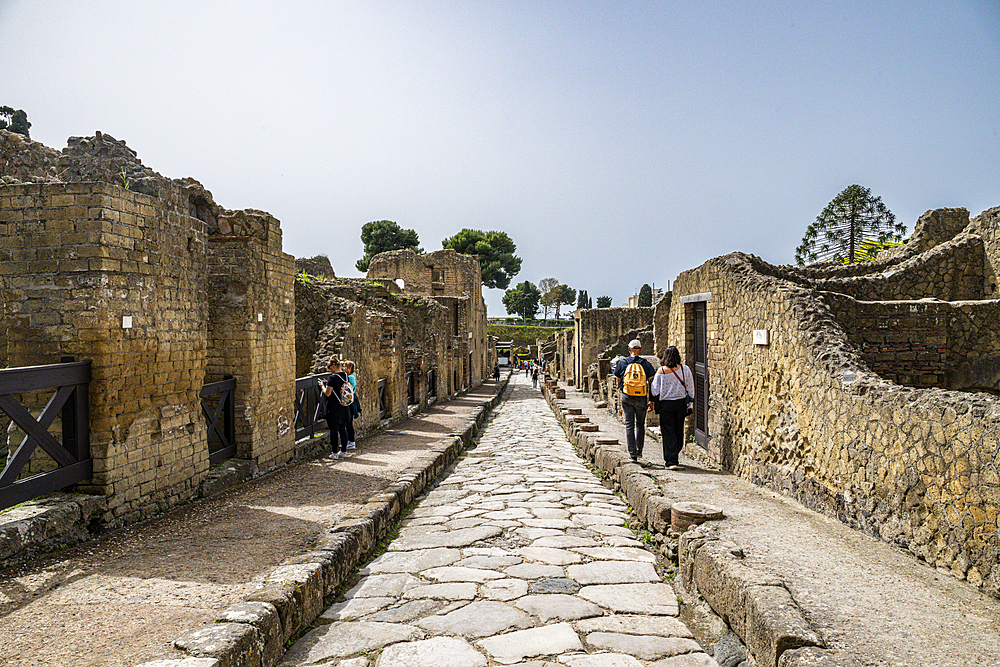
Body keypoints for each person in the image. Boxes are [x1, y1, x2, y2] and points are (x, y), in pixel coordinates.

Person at [651, 345, 694, 470]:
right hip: (680, 404)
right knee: (678, 429)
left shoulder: (661, 371)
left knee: (668, 431)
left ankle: (671, 460)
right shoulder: (685, 370)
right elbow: (690, 389)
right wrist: (689, 405)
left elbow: (654, 391)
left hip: (666, 405)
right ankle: (675, 453)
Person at [613, 339, 656, 462]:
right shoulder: (646, 364)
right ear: (640, 349)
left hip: (627, 396)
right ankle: (639, 451)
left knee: (629, 425)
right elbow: (651, 382)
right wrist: (651, 400)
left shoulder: (622, 363)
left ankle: (632, 455)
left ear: (629, 349)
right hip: (641, 397)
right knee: (640, 424)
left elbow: (618, 381)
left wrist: (622, 391)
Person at [319, 356, 351, 459]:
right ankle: (343, 452)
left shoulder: (332, 378)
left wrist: (322, 386)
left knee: (334, 430)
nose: (329, 369)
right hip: (343, 405)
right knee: (343, 429)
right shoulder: (345, 375)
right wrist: (327, 383)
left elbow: (327, 393)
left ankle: (334, 453)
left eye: (329, 367)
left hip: (333, 407)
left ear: (333, 366)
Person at [343, 359, 360, 451]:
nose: (342, 368)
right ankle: (350, 441)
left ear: (349, 368)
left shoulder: (350, 378)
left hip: (350, 401)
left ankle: (351, 442)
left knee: (349, 422)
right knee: (348, 422)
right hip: (351, 400)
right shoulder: (352, 376)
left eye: (344, 366)